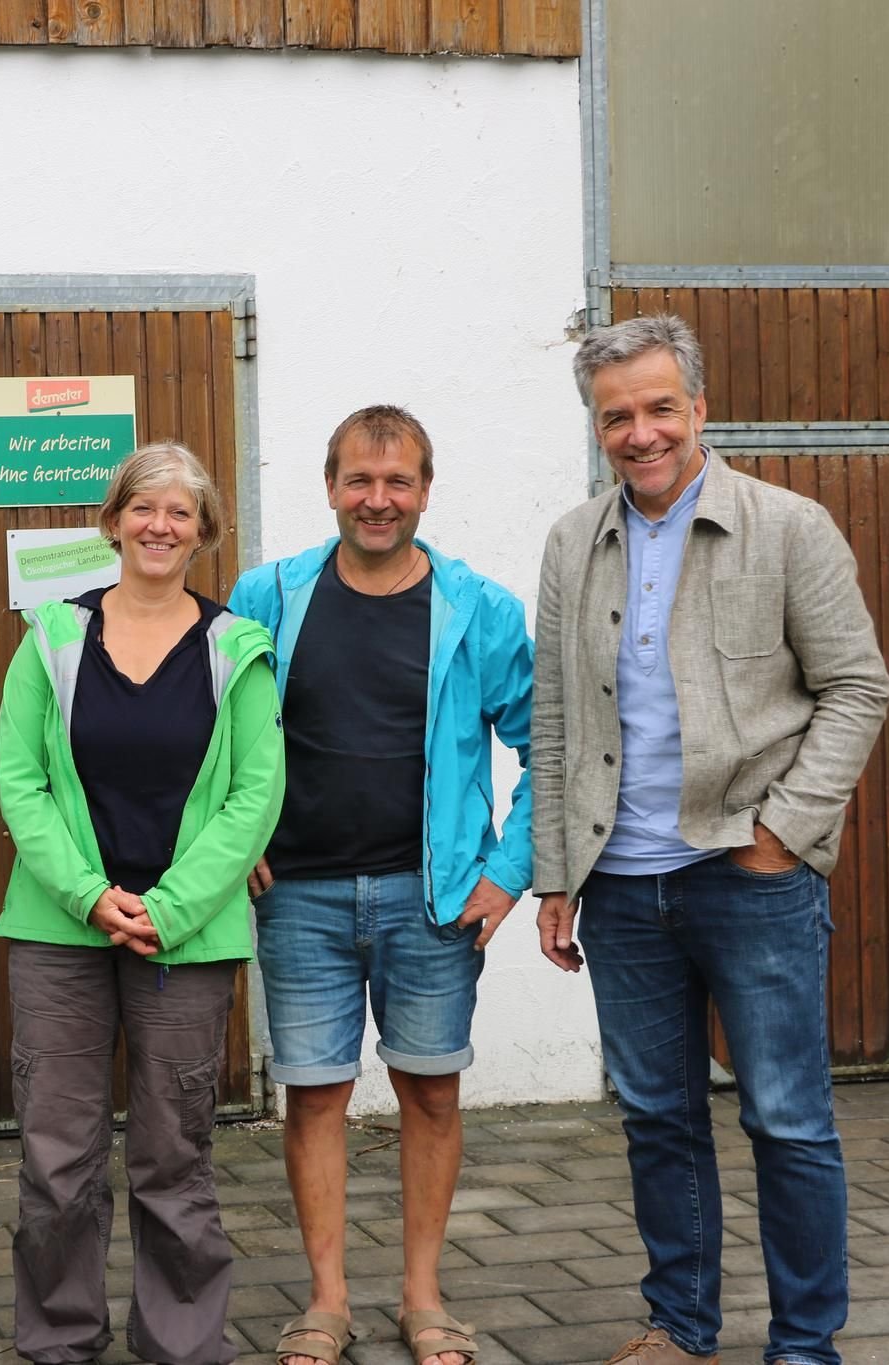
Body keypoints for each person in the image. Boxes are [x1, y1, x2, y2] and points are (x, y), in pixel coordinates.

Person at [533, 315, 889, 1365]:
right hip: (621, 881)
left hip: (750, 878)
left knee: (784, 1119)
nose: (637, 433)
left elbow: (855, 688)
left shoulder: (787, 528)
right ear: (595, 427)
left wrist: (782, 829)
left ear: (697, 408)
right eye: (615, 417)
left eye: (656, 408)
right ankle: (680, 1329)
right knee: (656, 1120)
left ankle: (803, 1343)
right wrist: (556, 874)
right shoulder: (570, 541)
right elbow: (556, 716)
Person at [228, 405, 533, 1365]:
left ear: (426, 491)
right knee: (313, 1098)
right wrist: (231, 844)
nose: (377, 499)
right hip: (301, 899)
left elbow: (547, 745)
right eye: (359, 480)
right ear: (329, 487)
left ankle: (423, 1297)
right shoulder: (269, 595)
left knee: (431, 1094)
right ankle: (326, 1302)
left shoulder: (478, 609)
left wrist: (508, 870)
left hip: (429, 898)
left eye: (398, 482)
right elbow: (213, 735)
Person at [0, 441, 283, 1365]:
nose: (161, 526)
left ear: (204, 533)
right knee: (57, 1158)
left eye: (182, 512)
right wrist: (88, 896)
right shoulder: (50, 636)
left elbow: (255, 796)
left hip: (184, 942)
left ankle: (183, 1345)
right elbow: (19, 780)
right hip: (60, 932)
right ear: (114, 519)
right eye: (144, 508)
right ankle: (59, 1340)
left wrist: (173, 906)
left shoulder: (238, 649)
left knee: (174, 1155)